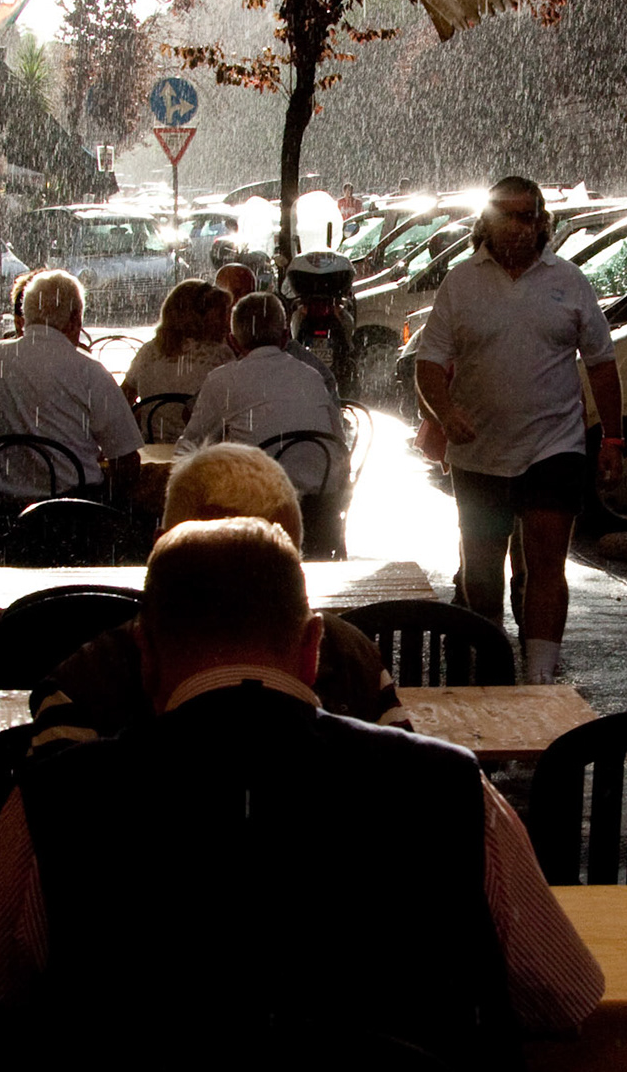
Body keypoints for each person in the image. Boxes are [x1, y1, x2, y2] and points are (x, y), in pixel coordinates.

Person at [0, 518, 605, 1072]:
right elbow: (568, 994)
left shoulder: (60, 801)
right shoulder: (449, 789)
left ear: (145, 654)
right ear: (312, 650)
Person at [27, 445, 408, 756]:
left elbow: (37, 837)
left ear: (160, 547)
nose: (239, 595)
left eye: (272, 572)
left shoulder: (86, 685)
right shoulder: (354, 663)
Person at [417, 177, 623, 684]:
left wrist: (613, 438)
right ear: (486, 223)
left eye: (529, 216)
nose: (520, 227)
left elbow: (600, 362)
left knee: (546, 566)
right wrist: (445, 413)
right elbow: (429, 362)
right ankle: (490, 659)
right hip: (479, 451)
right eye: (508, 216)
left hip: (554, 447)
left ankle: (539, 674)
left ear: (543, 222)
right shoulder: (461, 283)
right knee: (482, 575)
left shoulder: (569, 281)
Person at [179, 293, 349, 544]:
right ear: (284, 337)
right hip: (319, 508)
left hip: (258, 513)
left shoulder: (223, 380)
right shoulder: (311, 375)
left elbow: (191, 444)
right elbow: (339, 441)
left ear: (233, 342)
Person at [0, 269, 142, 501]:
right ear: (76, 318)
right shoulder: (88, 370)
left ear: (25, 315)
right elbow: (127, 459)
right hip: (71, 514)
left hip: (2, 511)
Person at [121, 278, 234, 438]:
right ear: (199, 316)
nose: (228, 321)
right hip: (202, 453)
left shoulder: (148, 352)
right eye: (222, 313)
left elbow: (123, 401)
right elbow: (236, 409)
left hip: (152, 452)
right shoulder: (220, 356)